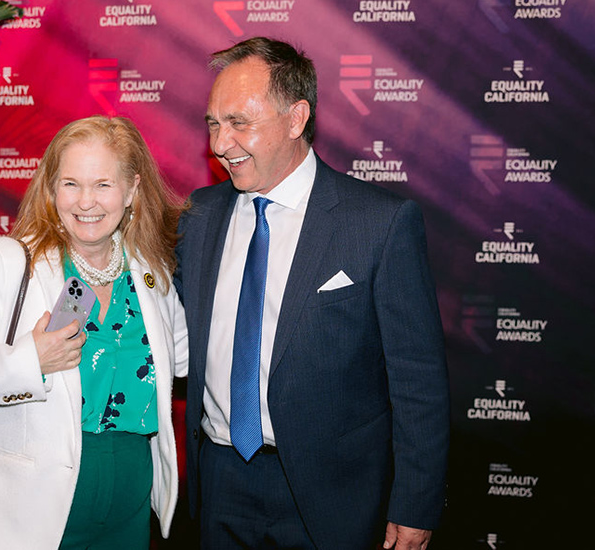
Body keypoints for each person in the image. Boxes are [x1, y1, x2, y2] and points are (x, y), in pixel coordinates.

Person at [175, 37, 450, 550]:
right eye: (213, 123)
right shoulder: (200, 215)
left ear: (296, 117)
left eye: (239, 122)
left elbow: (418, 381)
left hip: (331, 496)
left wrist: (416, 503)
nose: (219, 143)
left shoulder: (378, 223)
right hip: (217, 483)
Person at [0, 115, 188, 549]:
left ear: (132, 189)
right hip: (36, 513)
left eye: (103, 184)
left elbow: (184, 358)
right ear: (50, 188)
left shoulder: (148, 275)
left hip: (131, 505)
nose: (86, 202)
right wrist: (29, 362)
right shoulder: (9, 264)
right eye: (70, 184)